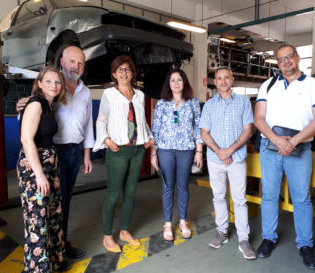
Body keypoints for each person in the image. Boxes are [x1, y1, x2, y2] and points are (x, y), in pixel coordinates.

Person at [254, 44, 315, 270]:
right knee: (269, 195)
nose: (285, 61)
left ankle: (305, 245)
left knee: (302, 199)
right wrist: (277, 141)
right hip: (270, 148)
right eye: (281, 59)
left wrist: (292, 142)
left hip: (301, 149)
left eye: (289, 57)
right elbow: (259, 118)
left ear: (297, 58)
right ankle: (268, 238)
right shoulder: (268, 85)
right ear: (277, 63)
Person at [17, 46, 94, 258]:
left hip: (75, 151)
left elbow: (88, 125)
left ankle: (61, 243)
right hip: (52, 152)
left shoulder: (85, 92)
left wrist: (87, 154)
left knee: (64, 201)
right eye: (72, 61)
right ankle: (49, 250)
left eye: (80, 63)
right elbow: (28, 125)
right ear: (62, 62)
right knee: (48, 205)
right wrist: (23, 105)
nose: (75, 66)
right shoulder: (50, 92)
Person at [93, 55, 154, 253]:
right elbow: (101, 121)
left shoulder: (140, 95)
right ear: (114, 74)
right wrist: (107, 141)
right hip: (117, 150)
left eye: (127, 69)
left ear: (133, 73)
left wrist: (149, 138)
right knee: (113, 195)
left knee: (130, 193)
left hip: (137, 149)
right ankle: (107, 236)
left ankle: (125, 231)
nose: (124, 72)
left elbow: (141, 121)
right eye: (120, 70)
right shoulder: (109, 94)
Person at [199, 67, 256, 260]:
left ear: (232, 79)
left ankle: (243, 239)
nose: (223, 81)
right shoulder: (209, 105)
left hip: (237, 159)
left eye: (226, 78)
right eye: (219, 78)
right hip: (215, 160)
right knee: (219, 197)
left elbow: (248, 130)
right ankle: (222, 232)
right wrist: (219, 152)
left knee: (240, 200)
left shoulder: (243, 102)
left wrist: (229, 151)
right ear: (214, 81)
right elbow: (204, 133)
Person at [17, 66, 67, 273]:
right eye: (48, 81)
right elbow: (26, 140)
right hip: (35, 168)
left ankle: (48, 269)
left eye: (57, 82)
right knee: (37, 222)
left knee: (50, 217)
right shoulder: (35, 104)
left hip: (48, 165)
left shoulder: (48, 105)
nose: (53, 86)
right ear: (39, 83)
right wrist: (39, 175)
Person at [150, 69, 203, 242]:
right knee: (167, 186)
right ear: (169, 84)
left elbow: (198, 127)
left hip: (186, 150)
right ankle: (167, 223)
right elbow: (155, 130)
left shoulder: (193, 102)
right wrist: (153, 153)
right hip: (165, 150)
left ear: (184, 82)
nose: (176, 83)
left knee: (183, 186)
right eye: (173, 80)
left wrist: (199, 150)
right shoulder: (162, 104)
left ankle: (182, 221)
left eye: (179, 79)